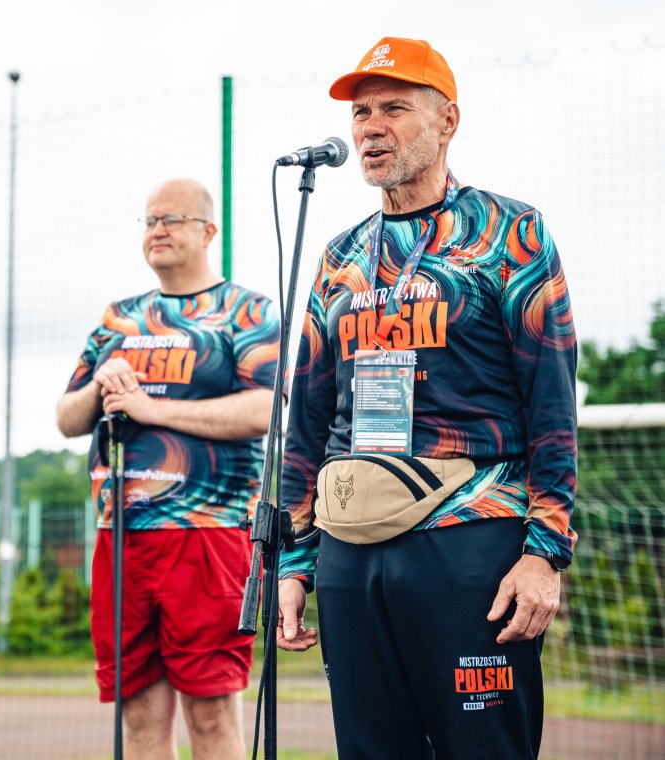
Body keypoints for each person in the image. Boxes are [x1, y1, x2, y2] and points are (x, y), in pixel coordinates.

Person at [275, 38, 577, 759]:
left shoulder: (511, 233)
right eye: (361, 113)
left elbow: (552, 405)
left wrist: (545, 552)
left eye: (394, 109)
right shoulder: (341, 255)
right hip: (350, 544)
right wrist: (293, 559)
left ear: (448, 122)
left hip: (471, 534)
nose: (371, 128)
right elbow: (308, 415)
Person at [57, 178, 279, 759]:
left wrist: (153, 409)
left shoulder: (247, 311)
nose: (157, 230)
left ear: (207, 232)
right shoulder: (119, 319)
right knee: (138, 717)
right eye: (150, 220)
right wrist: (100, 385)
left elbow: (266, 408)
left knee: (211, 717)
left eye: (172, 219)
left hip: (208, 532)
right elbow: (66, 417)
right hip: (122, 536)